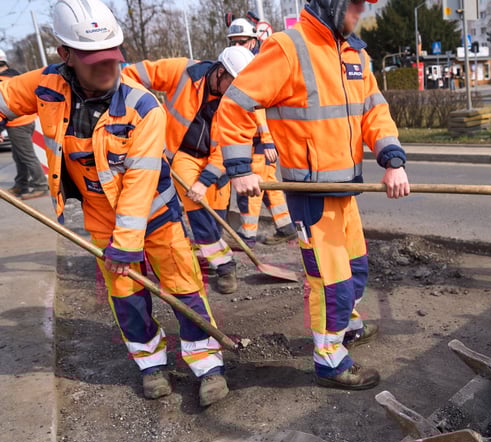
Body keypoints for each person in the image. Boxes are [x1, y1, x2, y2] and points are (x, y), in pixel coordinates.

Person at [0, 0, 228, 406]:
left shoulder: (143, 107)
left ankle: (206, 362)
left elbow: (139, 185)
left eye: (112, 58)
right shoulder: (46, 84)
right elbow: (4, 99)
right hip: (101, 220)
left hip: (156, 215)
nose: (107, 68)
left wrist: (126, 244)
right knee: (125, 296)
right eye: (94, 61)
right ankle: (151, 364)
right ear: (65, 55)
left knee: (184, 286)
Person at [213, 0, 410, 390]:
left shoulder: (354, 52)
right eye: (354, 5)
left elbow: (375, 110)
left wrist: (391, 158)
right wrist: (239, 169)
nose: (360, 14)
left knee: (356, 271)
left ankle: (345, 328)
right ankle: (330, 361)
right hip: (310, 195)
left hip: (345, 191)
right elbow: (235, 105)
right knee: (330, 283)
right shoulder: (289, 48)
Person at [123, 47, 257, 294]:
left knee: (214, 216)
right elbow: (129, 74)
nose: (236, 91)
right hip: (183, 153)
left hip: (218, 161)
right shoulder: (182, 71)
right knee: (197, 208)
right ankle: (225, 265)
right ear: (219, 72)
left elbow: (230, 147)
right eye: (233, 83)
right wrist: (139, 109)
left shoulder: (239, 100)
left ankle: (210, 250)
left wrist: (205, 180)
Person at [224, 16, 296, 247]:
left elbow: (261, 110)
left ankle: (247, 235)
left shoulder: (256, 70)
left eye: (242, 42)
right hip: (261, 140)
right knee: (267, 185)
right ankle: (285, 226)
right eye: (232, 42)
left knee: (251, 190)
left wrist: (267, 142)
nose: (236, 46)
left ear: (253, 42)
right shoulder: (245, 65)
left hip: (260, 142)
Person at [0, 49, 49, 200]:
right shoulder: (16, 75)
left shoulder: (2, 81)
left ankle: (40, 185)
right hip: (27, 120)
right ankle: (21, 184)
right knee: (19, 155)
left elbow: (3, 106)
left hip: (16, 123)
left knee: (26, 156)